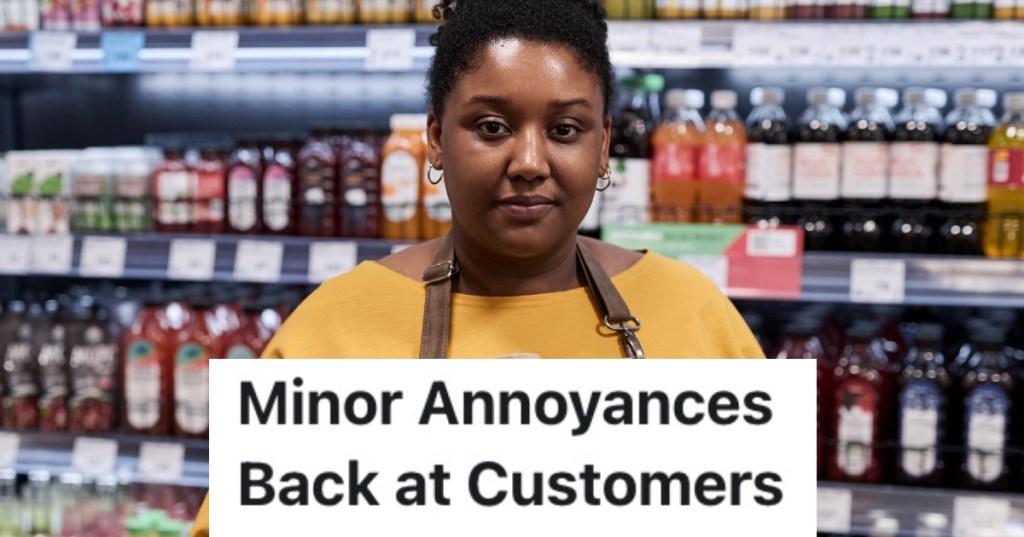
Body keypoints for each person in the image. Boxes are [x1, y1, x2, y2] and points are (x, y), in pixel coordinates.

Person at [189, 0, 762, 534]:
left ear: (604, 144)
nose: (530, 163)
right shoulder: (331, 331)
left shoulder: (694, 312)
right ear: (436, 138)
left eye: (565, 130)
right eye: (492, 127)